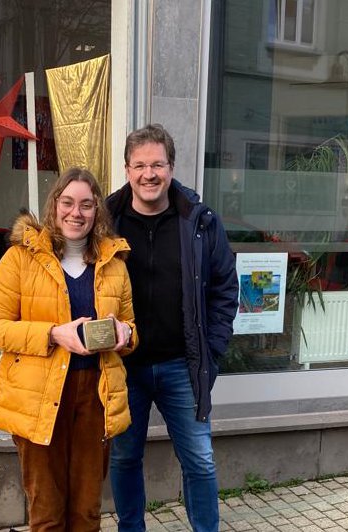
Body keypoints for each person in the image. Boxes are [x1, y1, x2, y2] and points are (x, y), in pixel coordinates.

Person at [0, 167, 138, 532]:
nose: (75, 213)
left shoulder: (114, 264)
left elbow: (132, 328)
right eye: (67, 202)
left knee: (86, 513)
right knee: (47, 515)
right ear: (55, 205)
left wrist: (124, 335)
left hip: (95, 399)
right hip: (39, 399)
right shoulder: (22, 258)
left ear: (97, 210)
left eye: (85, 204)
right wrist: (52, 334)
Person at [106, 124, 238, 532]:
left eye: (158, 164)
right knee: (125, 457)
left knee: (199, 460)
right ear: (127, 170)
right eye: (140, 165)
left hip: (183, 365)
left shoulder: (198, 221)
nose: (150, 174)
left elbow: (225, 288)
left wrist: (211, 351)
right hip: (124, 368)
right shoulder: (106, 222)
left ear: (171, 167)